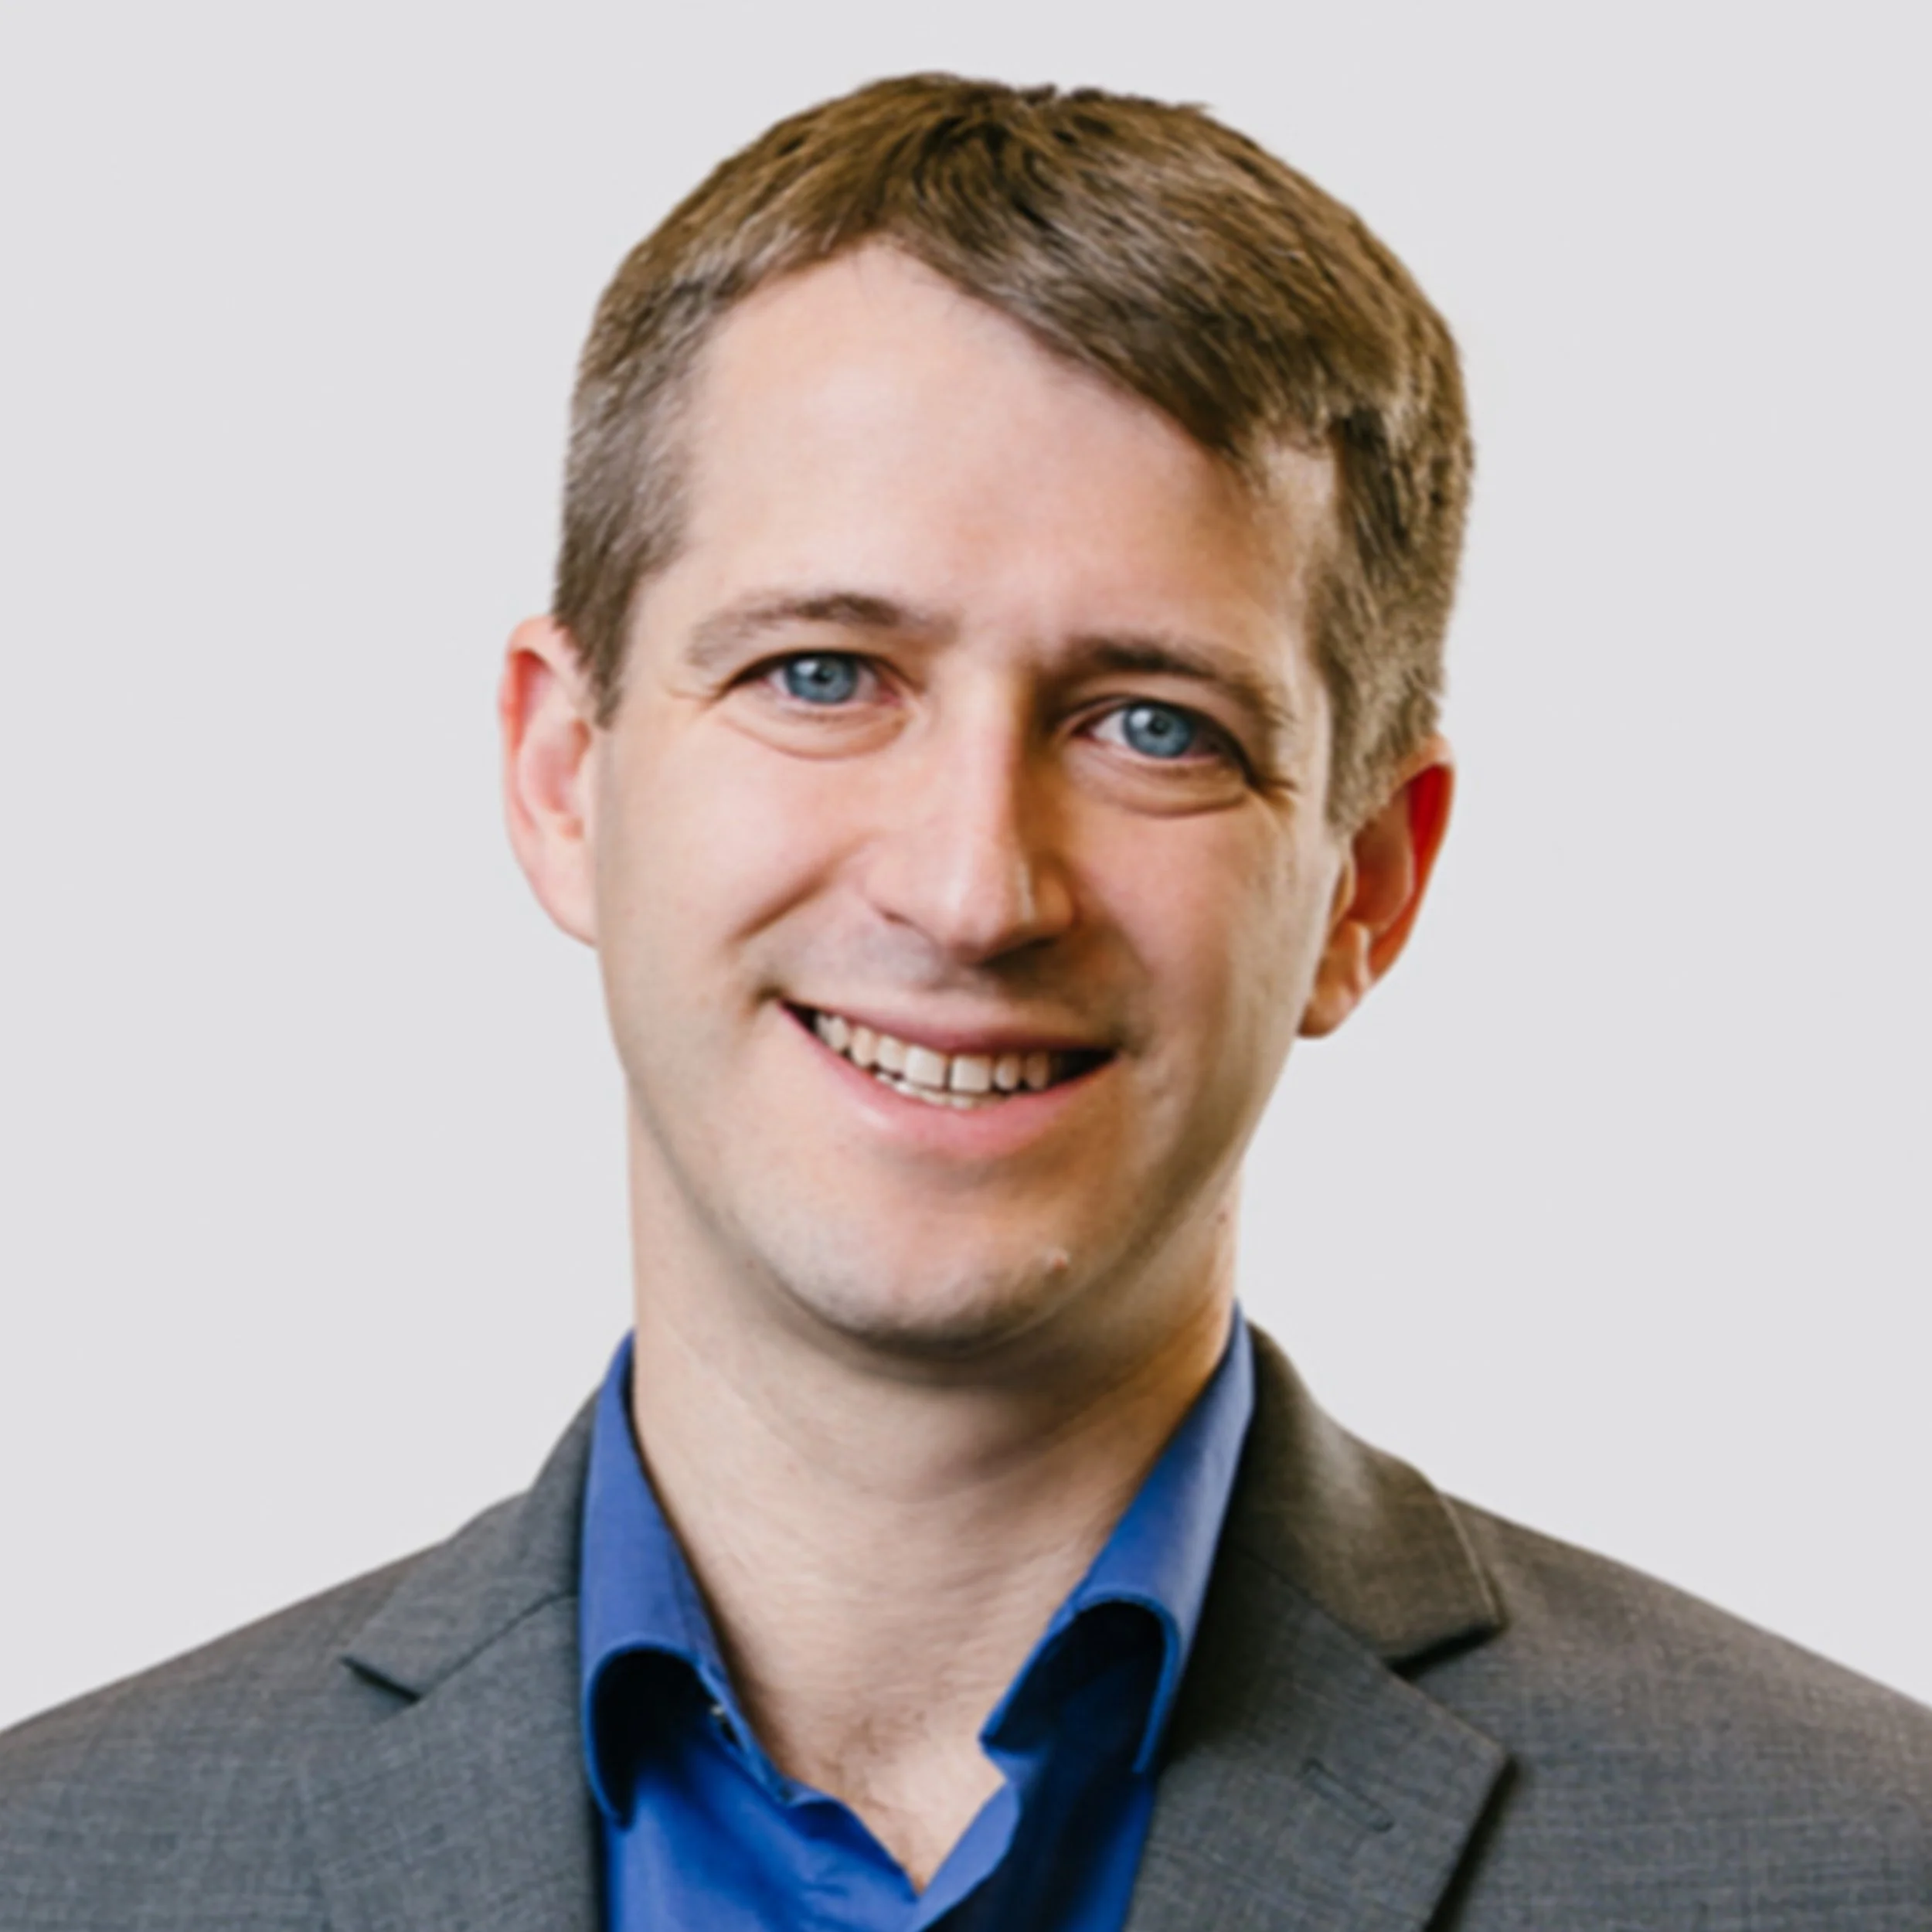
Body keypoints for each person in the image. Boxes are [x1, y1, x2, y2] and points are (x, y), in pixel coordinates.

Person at [2, 71, 1927, 1931]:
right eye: (823, 673)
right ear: (561, 769)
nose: (968, 888)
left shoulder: (1859, 1860)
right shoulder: (58, 1868)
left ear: (1367, 879)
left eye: (1151, 725)